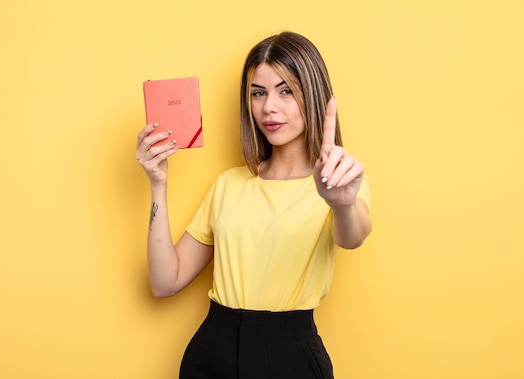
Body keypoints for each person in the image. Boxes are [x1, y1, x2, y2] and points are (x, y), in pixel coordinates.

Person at [135, 31, 372, 379]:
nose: (268, 107)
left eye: (286, 90)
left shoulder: (343, 184)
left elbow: (353, 235)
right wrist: (158, 184)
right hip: (212, 351)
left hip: (290, 354)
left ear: (315, 93)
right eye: (258, 93)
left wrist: (340, 202)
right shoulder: (229, 184)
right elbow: (164, 282)